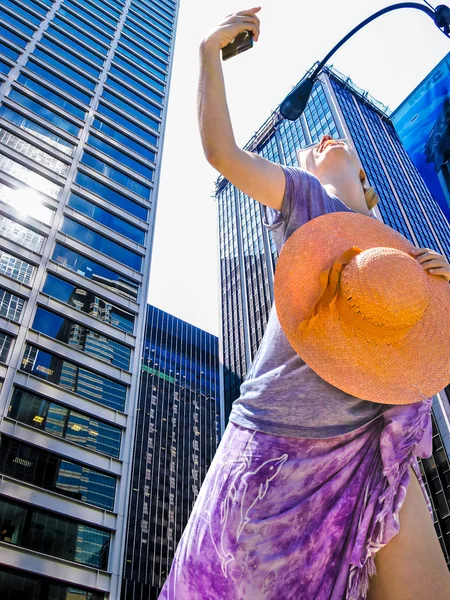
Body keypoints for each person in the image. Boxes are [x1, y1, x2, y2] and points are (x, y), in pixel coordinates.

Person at [158, 7, 450, 600]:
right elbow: (222, 152)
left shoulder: (406, 258)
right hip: (276, 444)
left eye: (336, 149)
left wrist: (441, 287)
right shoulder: (307, 200)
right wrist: (207, 53)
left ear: (369, 184)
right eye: (312, 149)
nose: (321, 142)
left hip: (373, 439)